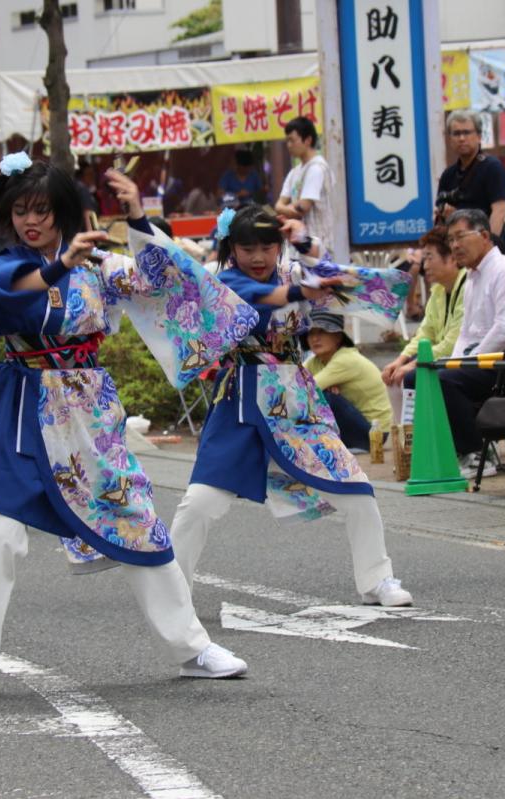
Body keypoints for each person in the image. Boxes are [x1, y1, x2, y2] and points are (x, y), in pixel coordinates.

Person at [0, 153, 254, 700]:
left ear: (62, 211)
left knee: (136, 522)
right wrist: (62, 264)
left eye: (40, 211)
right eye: (19, 211)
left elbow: (159, 280)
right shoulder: (7, 266)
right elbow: (11, 296)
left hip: (89, 412)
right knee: (0, 535)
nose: (29, 222)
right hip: (24, 412)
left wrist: (136, 218)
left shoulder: (98, 266)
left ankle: (192, 647)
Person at [168, 204, 415, 608]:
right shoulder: (221, 281)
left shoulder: (293, 272)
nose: (259, 257)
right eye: (248, 248)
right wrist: (300, 291)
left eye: (269, 246)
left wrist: (306, 245)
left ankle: (377, 579)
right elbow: (256, 297)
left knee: (356, 488)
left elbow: (339, 280)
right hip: (239, 403)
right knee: (200, 502)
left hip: (294, 401)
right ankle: (173, 592)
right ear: (232, 247)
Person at [440, 208, 505, 477]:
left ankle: (476, 454)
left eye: (460, 236)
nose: (455, 245)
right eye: (450, 240)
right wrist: (454, 362)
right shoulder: (472, 278)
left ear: (484, 235)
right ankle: (454, 449)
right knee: (421, 377)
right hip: (485, 360)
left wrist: (466, 364)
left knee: (446, 380)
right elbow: (467, 333)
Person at [381, 227, 467, 420]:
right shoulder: (438, 290)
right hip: (441, 356)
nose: (424, 265)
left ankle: (421, 437)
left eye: (429, 257)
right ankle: (405, 439)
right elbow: (424, 333)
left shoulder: (467, 286)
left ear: (452, 258)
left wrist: (412, 365)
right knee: (392, 375)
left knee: (410, 375)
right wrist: (401, 360)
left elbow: (453, 344)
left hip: (462, 358)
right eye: (424, 258)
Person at [303, 311, 393, 452]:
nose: (315, 338)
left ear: (338, 337)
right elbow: (293, 384)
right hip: (354, 423)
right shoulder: (315, 362)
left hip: (374, 434)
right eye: (311, 333)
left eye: (322, 331)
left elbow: (305, 389)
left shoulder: (346, 359)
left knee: (324, 397)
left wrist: (322, 388)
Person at [436, 110, 505, 254]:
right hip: (456, 250)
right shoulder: (448, 175)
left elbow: (499, 211)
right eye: (456, 134)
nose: (462, 138)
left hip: (489, 248)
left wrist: (489, 247)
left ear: (479, 136)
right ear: (450, 138)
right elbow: (439, 215)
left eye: (467, 132)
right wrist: (449, 216)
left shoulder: (492, 167)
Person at [275, 117, 334, 251]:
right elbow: (278, 205)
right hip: (300, 245)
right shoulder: (294, 172)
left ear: (307, 140)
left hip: (320, 246)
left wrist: (291, 207)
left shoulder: (317, 168)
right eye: (287, 141)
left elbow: (303, 208)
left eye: (292, 140)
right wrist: (295, 206)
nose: (289, 145)